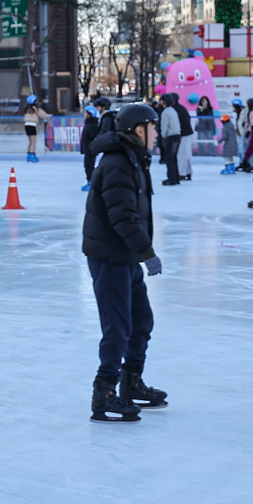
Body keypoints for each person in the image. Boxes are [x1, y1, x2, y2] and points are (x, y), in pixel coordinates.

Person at [81, 102, 166, 423]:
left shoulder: (133, 160)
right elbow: (123, 217)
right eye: (153, 127)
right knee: (117, 328)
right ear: (138, 130)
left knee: (141, 322)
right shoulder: (118, 163)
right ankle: (103, 394)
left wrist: (140, 253)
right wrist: (147, 252)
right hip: (110, 257)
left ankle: (131, 383)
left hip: (125, 256)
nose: (157, 134)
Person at [158, 93, 182, 186]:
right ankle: (175, 177)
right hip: (177, 135)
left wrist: (163, 137)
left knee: (169, 158)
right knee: (173, 157)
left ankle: (171, 178)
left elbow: (164, 127)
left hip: (170, 136)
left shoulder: (165, 112)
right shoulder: (172, 110)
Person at [80, 100, 102, 191]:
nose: (84, 115)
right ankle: (90, 181)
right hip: (88, 149)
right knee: (87, 166)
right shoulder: (89, 125)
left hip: (90, 150)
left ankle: (92, 182)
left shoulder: (92, 126)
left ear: (90, 115)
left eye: (86, 113)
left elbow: (95, 135)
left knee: (89, 166)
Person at [174, 94, 196, 180]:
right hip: (186, 133)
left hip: (184, 134)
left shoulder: (177, 109)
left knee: (182, 154)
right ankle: (188, 171)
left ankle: (182, 172)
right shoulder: (181, 108)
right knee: (186, 153)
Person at [23, 95, 49, 163]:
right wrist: (49, 116)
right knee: (34, 142)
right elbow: (43, 115)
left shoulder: (26, 109)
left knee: (30, 142)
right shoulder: (36, 109)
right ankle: (33, 155)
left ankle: (28, 155)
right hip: (32, 125)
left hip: (26, 125)